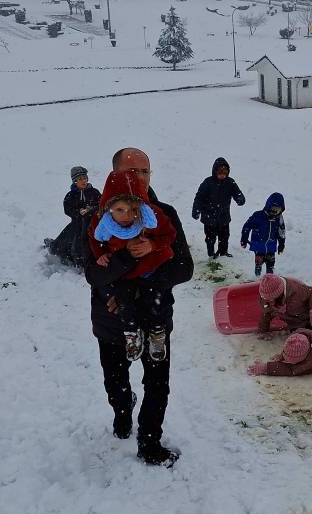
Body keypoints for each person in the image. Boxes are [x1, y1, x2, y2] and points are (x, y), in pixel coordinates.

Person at [84, 147, 193, 467]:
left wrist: (150, 266)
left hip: (155, 316)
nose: (140, 178)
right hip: (111, 320)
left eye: (145, 171)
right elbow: (92, 272)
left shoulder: (164, 215)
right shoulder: (100, 219)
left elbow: (184, 269)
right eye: (133, 172)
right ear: (116, 175)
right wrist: (125, 259)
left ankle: (150, 443)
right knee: (115, 384)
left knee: (157, 385)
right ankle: (121, 410)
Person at [89, 173, 176, 362]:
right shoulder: (101, 221)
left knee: (156, 301)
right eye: (120, 210)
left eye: (133, 210)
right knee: (123, 304)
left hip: (150, 268)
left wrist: (152, 245)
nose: (127, 216)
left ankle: (157, 333)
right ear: (108, 207)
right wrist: (101, 255)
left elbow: (169, 234)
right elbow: (95, 241)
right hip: (124, 273)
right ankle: (132, 333)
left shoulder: (151, 216)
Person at [45, 166, 100, 267]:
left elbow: (100, 205)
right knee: (67, 243)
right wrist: (79, 213)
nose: (84, 181)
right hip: (77, 225)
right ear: (75, 181)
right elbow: (68, 210)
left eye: (85, 178)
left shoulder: (94, 192)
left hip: (92, 224)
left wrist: (91, 209)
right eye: (80, 179)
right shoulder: (70, 195)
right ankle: (75, 259)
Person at [191, 157, 246, 259]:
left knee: (224, 237)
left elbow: (237, 193)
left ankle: (223, 253)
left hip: (223, 217)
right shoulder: (208, 182)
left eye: (225, 172)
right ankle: (211, 254)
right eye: (220, 172)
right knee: (210, 238)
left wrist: (240, 198)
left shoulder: (230, 182)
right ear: (215, 171)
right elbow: (199, 197)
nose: (222, 174)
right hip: (209, 218)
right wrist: (196, 210)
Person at [257, 273, 312, 337]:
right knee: (303, 339)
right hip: (296, 324)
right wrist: (263, 331)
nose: (269, 301)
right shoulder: (265, 298)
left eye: (272, 298)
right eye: (267, 299)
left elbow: (311, 292)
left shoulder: (296, 290)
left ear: (280, 292)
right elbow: (266, 314)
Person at [241, 192, 286, 277]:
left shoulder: (279, 219)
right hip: (259, 247)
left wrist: (281, 244)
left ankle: (269, 281)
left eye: (278, 209)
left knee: (270, 266)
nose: (275, 211)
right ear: (268, 205)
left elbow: (281, 232)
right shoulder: (258, 216)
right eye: (274, 208)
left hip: (271, 247)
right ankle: (257, 279)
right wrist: (244, 239)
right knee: (258, 264)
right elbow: (247, 226)